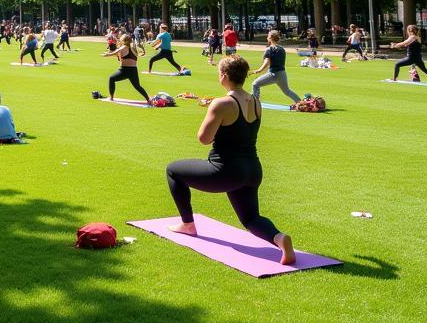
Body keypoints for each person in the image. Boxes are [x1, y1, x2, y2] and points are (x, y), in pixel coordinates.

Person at [165, 55, 296, 266]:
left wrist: (212, 111)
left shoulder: (222, 103)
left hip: (226, 170)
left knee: (173, 171)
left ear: (224, 75)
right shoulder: (255, 101)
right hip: (252, 170)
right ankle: (280, 239)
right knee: (251, 218)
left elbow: (204, 139)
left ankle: (187, 224)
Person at [250, 30, 300, 103]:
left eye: (268, 36)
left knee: (255, 84)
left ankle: (255, 103)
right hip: (282, 74)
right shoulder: (282, 49)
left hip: (274, 74)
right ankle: (301, 103)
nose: (267, 37)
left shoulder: (269, 49)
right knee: (287, 91)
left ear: (270, 38)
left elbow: (267, 62)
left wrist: (259, 70)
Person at [102, 33, 150, 104]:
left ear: (123, 40)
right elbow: (125, 56)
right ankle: (148, 99)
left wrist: (108, 54)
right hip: (133, 70)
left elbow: (117, 51)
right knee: (137, 86)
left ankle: (111, 97)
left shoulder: (123, 47)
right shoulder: (133, 48)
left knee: (111, 79)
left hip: (124, 70)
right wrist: (113, 54)